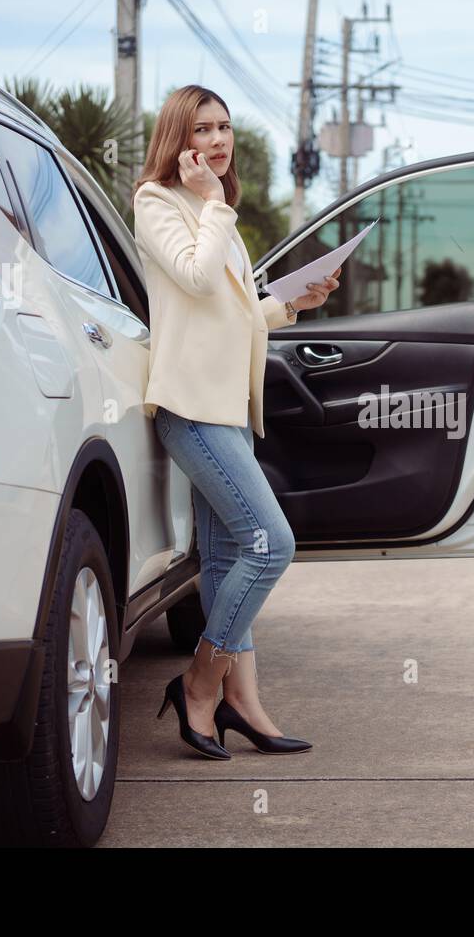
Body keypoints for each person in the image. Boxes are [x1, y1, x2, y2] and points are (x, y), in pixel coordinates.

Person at [133, 85, 340, 759]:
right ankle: (201, 680)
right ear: (178, 140)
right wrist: (215, 207)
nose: (218, 141)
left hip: (228, 412)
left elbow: (232, 313)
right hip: (192, 410)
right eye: (203, 130)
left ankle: (242, 703)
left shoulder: (214, 213)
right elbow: (194, 280)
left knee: (225, 562)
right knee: (270, 544)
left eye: (225, 128)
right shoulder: (157, 204)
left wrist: (291, 304)